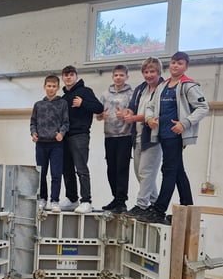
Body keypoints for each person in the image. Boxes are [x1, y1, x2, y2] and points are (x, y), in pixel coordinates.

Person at [141, 52, 209, 224]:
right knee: (178, 171)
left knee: (169, 171)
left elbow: (203, 107)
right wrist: (149, 119)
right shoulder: (163, 86)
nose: (175, 66)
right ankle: (188, 208)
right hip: (162, 134)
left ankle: (159, 210)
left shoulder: (188, 85)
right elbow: (150, 106)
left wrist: (185, 123)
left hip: (175, 136)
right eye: (173, 62)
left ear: (186, 66)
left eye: (179, 63)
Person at [59, 65, 105, 214]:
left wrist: (82, 103)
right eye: (66, 75)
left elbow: (99, 108)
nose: (68, 77)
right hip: (64, 136)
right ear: (62, 78)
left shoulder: (85, 91)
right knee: (67, 169)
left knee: (81, 169)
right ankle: (72, 199)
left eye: (71, 74)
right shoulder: (63, 98)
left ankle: (86, 201)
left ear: (76, 76)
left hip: (80, 135)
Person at [123, 57, 164, 217]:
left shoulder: (163, 88)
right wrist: (128, 113)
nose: (149, 75)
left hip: (153, 137)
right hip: (138, 136)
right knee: (141, 173)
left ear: (158, 72)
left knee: (146, 172)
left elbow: (155, 113)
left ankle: (141, 205)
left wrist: (134, 118)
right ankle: (155, 203)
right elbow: (132, 106)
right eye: (146, 72)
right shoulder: (141, 88)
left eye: (152, 71)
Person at [96, 65, 134, 213]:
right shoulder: (105, 94)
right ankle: (115, 198)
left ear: (127, 77)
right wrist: (101, 116)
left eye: (121, 75)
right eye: (116, 75)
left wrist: (125, 115)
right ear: (112, 77)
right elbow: (98, 115)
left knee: (122, 168)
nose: (118, 78)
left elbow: (134, 113)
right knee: (111, 169)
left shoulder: (131, 94)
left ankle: (121, 201)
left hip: (125, 135)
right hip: (109, 135)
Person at [30, 75, 69, 212]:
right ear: (44, 87)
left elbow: (66, 122)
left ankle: (55, 200)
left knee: (56, 173)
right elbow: (33, 122)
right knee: (41, 173)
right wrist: (33, 133)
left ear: (58, 87)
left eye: (54, 86)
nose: (51, 88)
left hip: (56, 144)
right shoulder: (38, 105)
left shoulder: (63, 103)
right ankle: (42, 198)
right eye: (49, 86)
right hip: (41, 144)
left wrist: (61, 133)